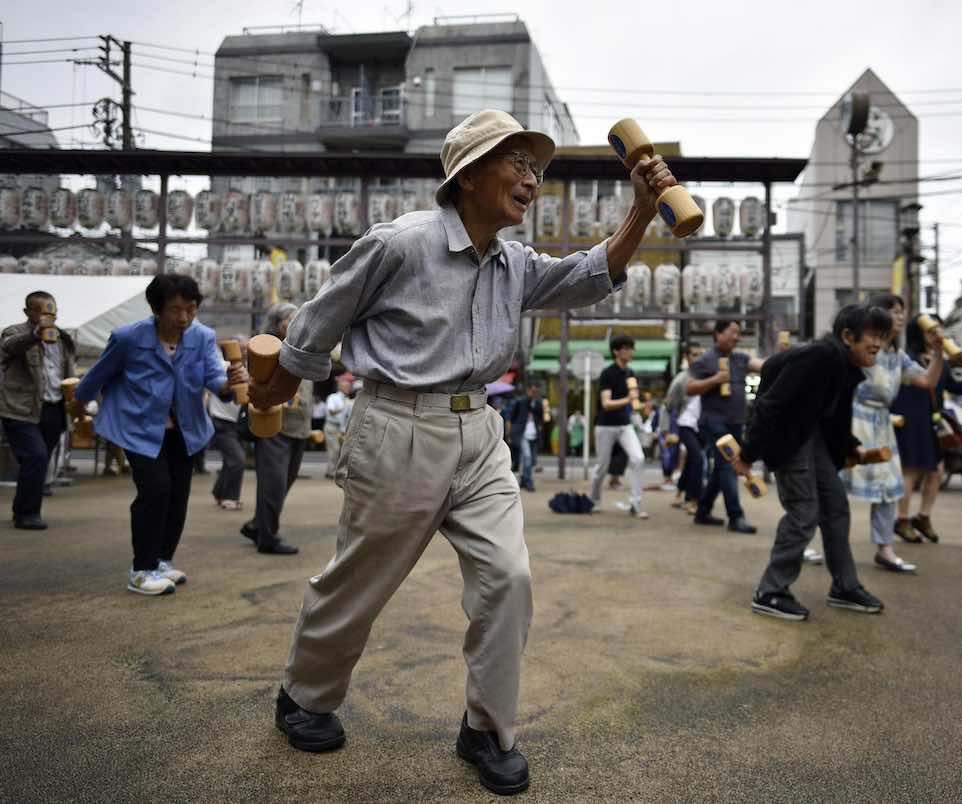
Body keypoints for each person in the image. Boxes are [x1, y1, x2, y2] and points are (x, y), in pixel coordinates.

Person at [249, 109, 672, 794]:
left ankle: (486, 728)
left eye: (536, 168)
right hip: (396, 427)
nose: (532, 180)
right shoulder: (399, 244)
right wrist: (273, 394)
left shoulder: (514, 262)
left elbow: (589, 274)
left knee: (510, 577)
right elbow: (317, 320)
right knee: (359, 581)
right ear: (469, 175)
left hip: (479, 433)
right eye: (518, 164)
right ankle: (304, 695)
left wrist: (642, 211)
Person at [75, 274, 247, 595]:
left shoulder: (203, 337)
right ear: (157, 309)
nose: (183, 318)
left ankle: (162, 560)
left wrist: (231, 380)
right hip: (139, 428)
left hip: (185, 429)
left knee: (178, 495)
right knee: (155, 490)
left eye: (191, 309)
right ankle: (141, 569)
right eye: (175, 310)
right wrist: (78, 405)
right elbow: (96, 377)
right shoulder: (128, 338)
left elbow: (215, 380)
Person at [734, 303, 893, 621]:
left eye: (882, 337)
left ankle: (844, 586)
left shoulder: (846, 367)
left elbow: (835, 419)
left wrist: (850, 448)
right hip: (790, 438)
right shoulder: (820, 356)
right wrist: (748, 453)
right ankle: (770, 591)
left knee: (835, 506)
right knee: (804, 512)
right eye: (873, 336)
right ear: (848, 336)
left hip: (812, 437)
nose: (878, 344)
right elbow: (771, 404)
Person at [841, 295, 945, 574]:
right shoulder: (857, 347)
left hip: (882, 426)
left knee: (888, 489)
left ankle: (885, 549)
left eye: (902, 312)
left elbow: (927, 380)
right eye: (892, 311)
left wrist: (939, 351)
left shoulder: (898, 357)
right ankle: (814, 542)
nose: (899, 317)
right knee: (833, 486)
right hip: (852, 421)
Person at [891, 316, 962, 544]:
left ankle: (923, 517)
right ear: (918, 333)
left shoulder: (941, 360)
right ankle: (902, 519)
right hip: (910, 421)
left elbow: (955, 386)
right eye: (931, 330)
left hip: (933, 422)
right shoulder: (906, 358)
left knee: (936, 471)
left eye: (939, 329)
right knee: (910, 470)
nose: (937, 334)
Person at [0, 291, 76, 530]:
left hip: (53, 408)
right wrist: (36, 333)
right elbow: (10, 347)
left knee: (37, 463)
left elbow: (67, 371)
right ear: (28, 312)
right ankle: (28, 514)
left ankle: (21, 508)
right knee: (36, 457)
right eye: (41, 311)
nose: (47, 316)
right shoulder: (15, 332)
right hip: (20, 408)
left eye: (51, 311)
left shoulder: (63, 338)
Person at [241, 303, 311, 556]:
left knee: (284, 483)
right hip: (274, 426)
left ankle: (257, 525)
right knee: (273, 484)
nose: (295, 324)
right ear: (276, 324)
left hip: (299, 427)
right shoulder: (265, 351)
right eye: (289, 319)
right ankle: (267, 538)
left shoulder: (303, 348)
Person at [688, 321, 763, 534]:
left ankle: (702, 511)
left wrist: (785, 358)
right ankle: (735, 516)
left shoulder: (740, 359)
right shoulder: (705, 360)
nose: (737, 337)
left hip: (736, 422)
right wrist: (715, 380)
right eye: (732, 333)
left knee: (721, 469)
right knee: (729, 465)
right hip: (713, 422)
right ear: (718, 334)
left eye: (738, 333)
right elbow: (690, 388)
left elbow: (763, 366)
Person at [588, 333, 649, 518]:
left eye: (631, 348)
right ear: (616, 351)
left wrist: (639, 406)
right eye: (626, 348)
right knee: (602, 467)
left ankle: (636, 505)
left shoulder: (630, 373)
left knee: (638, 459)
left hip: (625, 424)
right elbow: (606, 404)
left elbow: (633, 400)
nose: (631, 351)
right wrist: (628, 400)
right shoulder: (608, 374)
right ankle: (594, 501)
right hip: (605, 425)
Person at [662, 341, 705, 513]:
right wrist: (665, 433)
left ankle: (679, 493)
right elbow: (667, 407)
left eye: (700, 354)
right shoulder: (680, 380)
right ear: (686, 357)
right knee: (699, 460)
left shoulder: (708, 375)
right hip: (685, 425)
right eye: (694, 354)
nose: (698, 358)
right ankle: (694, 501)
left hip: (703, 427)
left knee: (692, 461)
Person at [210, 337, 247, 510]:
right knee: (238, 460)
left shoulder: (246, 371)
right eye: (241, 349)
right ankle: (230, 497)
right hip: (221, 421)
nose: (245, 352)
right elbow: (220, 388)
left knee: (230, 460)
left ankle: (219, 491)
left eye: (246, 349)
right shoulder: (223, 369)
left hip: (236, 422)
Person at [505, 382, 543, 492]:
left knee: (527, 460)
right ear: (528, 391)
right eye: (533, 391)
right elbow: (510, 417)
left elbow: (540, 419)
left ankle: (523, 480)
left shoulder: (538, 404)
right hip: (521, 434)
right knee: (527, 457)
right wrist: (509, 433)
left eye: (537, 392)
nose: (535, 394)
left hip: (534, 434)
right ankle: (528, 481)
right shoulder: (521, 402)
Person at [323, 374, 354, 480]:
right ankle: (331, 472)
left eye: (349, 387)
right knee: (334, 450)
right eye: (346, 387)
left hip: (342, 428)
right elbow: (331, 411)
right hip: (332, 426)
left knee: (343, 451)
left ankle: (336, 472)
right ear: (340, 386)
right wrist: (343, 407)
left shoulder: (348, 400)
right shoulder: (333, 397)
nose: (348, 389)